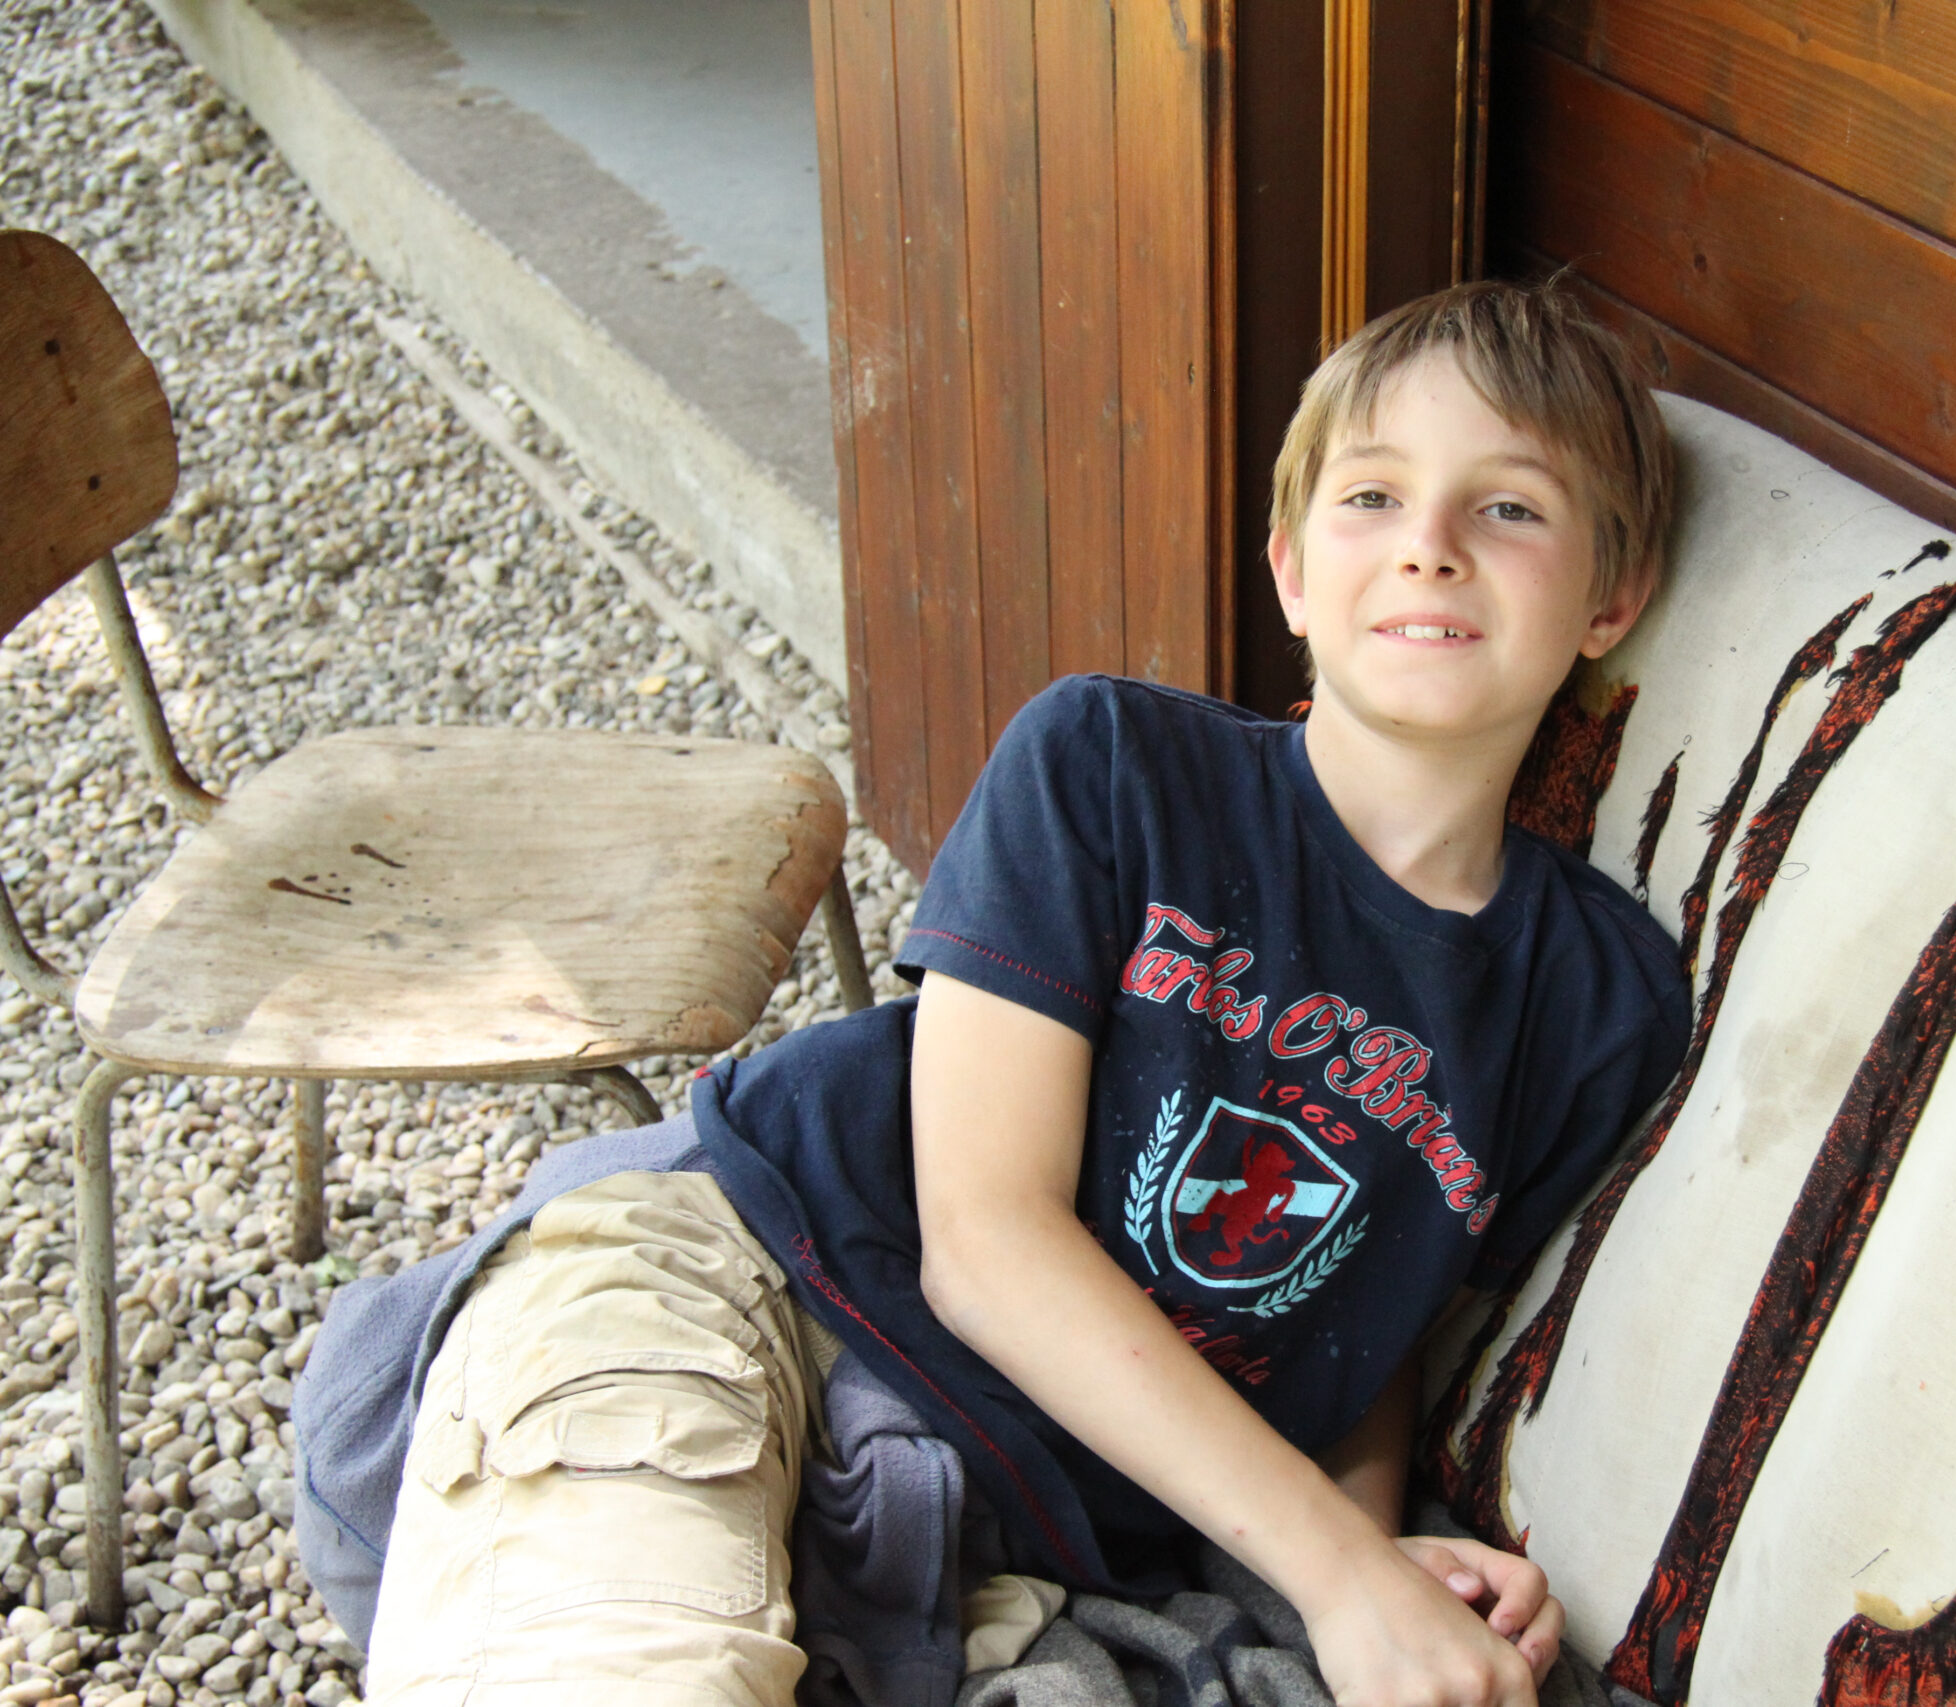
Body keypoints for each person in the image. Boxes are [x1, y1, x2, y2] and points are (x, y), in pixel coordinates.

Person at [294, 278, 1688, 1707]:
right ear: (1289, 571)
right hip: (770, 1276)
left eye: (1508, 508)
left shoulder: (1596, 1006)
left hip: (1007, 1521)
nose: (1430, 547)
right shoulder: (1114, 767)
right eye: (1373, 498)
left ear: (1613, 598)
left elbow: (1370, 1324)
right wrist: (1338, 1572)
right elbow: (983, 1241)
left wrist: (1376, 1565)